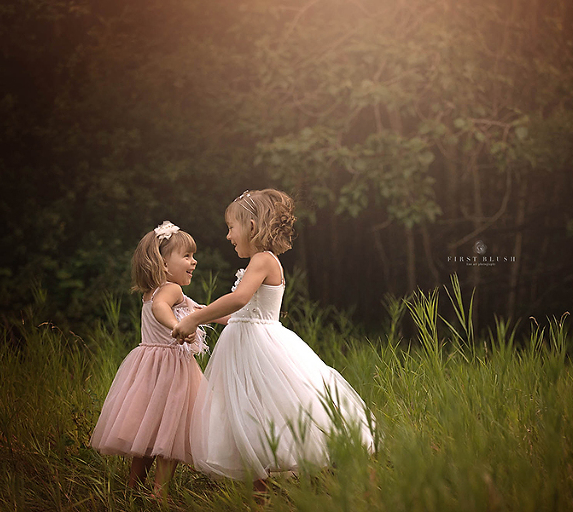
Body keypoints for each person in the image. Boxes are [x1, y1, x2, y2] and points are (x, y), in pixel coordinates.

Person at [172, 189, 375, 486]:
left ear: (251, 227)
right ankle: (259, 480)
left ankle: (284, 473)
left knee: (275, 406)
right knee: (249, 411)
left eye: (231, 228)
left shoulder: (264, 260)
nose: (228, 236)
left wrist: (194, 318)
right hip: (245, 344)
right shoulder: (259, 262)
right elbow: (242, 313)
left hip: (260, 348)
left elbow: (240, 299)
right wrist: (209, 313)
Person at [91, 221, 216, 500]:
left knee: (146, 435)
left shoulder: (153, 291)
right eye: (186, 256)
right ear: (163, 262)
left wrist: (236, 317)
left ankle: (132, 487)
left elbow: (203, 311)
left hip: (148, 369)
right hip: (171, 370)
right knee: (169, 433)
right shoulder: (170, 290)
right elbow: (163, 311)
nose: (193, 262)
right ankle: (161, 493)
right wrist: (176, 325)